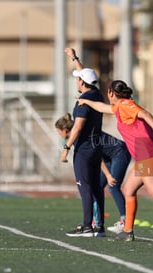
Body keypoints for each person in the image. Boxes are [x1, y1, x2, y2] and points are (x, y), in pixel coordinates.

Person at [77, 80, 153, 243]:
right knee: (128, 189)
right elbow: (101, 107)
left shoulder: (126, 105)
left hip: (148, 154)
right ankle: (127, 231)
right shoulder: (119, 107)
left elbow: (144, 113)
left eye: (108, 92)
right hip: (147, 155)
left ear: (111, 93)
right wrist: (85, 101)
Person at [55, 113, 131, 234]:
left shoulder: (81, 135)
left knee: (113, 186)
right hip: (108, 158)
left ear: (65, 130)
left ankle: (125, 221)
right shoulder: (78, 135)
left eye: (59, 132)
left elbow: (97, 156)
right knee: (97, 188)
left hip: (119, 152)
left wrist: (108, 175)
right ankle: (96, 223)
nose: (59, 134)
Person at [61, 47, 106, 237]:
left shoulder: (83, 101)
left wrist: (66, 147)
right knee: (96, 187)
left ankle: (87, 226)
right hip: (97, 147)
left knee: (84, 186)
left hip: (85, 148)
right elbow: (87, 75)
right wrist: (74, 58)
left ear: (82, 82)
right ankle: (99, 226)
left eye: (78, 79)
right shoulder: (96, 94)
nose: (76, 81)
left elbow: (78, 127)